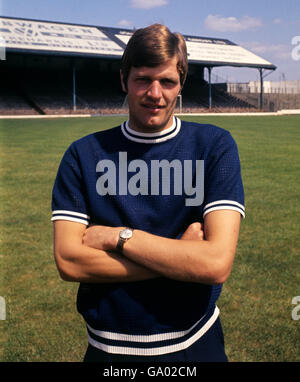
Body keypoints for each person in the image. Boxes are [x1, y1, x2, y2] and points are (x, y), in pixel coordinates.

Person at [51, 24, 245, 362]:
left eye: (167, 81)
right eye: (143, 79)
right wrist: (182, 259)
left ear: (181, 84)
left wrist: (118, 238)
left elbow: (215, 264)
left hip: (194, 347)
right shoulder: (83, 154)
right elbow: (69, 261)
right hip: (109, 352)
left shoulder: (213, 146)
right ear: (124, 80)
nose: (155, 93)